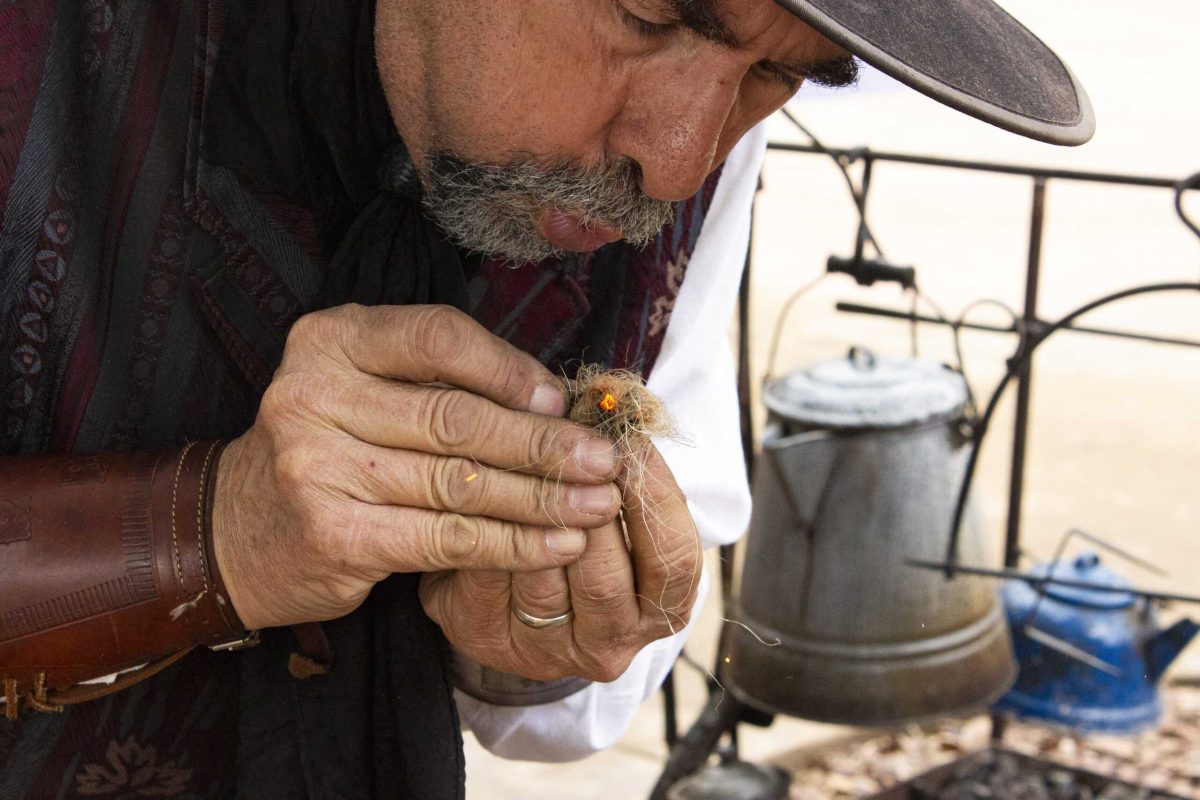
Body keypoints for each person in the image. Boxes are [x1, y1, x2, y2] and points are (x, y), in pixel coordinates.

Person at [0, 0, 1091, 796]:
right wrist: (209, 531)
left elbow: (587, 688)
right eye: (649, 12)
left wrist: (525, 635)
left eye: (779, 79)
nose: (673, 166)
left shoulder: (700, 136)